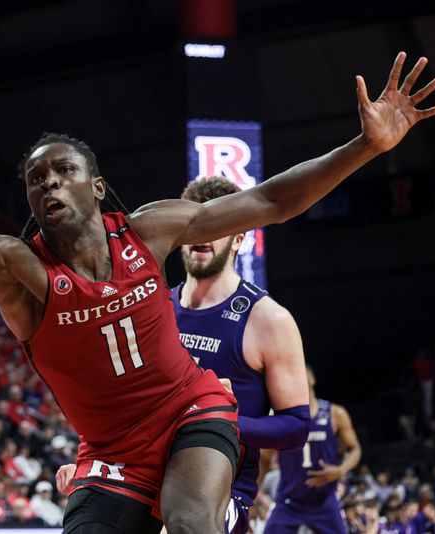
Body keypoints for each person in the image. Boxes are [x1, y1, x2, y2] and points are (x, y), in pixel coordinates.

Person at [0, 52, 435, 534]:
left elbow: (270, 201)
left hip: (191, 411)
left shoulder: (151, 230)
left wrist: (365, 146)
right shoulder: (21, 270)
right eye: (35, 179)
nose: (48, 181)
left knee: (189, 525)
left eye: (63, 170)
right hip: (109, 449)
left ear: (98, 186)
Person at [170, 176, 310, 533]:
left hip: (220, 490)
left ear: (239, 239)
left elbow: (295, 427)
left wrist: (218, 421)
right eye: (194, 224)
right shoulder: (157, 309)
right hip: (148, 477)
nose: (202, 235)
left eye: (218, 225)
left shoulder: (269, 320)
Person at [260, 367, 362, 534]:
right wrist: (251, 492)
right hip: (289, 501)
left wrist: (340, 470)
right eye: (294, 372)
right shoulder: (279, 417)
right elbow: (264, 457)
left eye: (302, 370)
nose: (298, 375)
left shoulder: (335, 413)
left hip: (324, 500)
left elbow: (355, 448)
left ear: (312, 378)